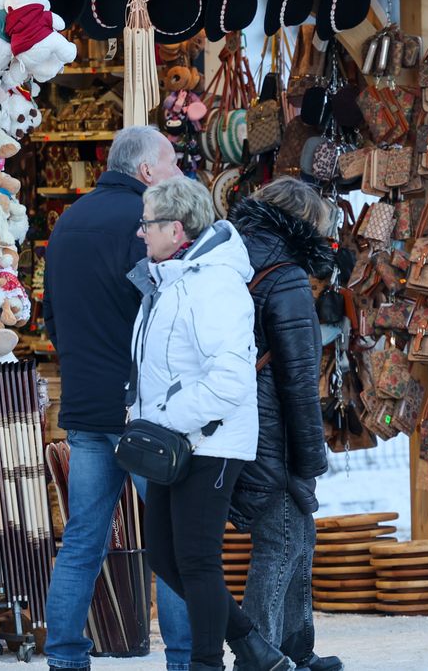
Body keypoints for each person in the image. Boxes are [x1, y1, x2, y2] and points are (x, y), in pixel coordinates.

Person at [129, 175, 298, 671]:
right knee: (164, 554)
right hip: (173, 439)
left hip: (209, 441)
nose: (141, 233)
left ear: (177, 230)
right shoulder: (172, 278)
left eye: (148, 224)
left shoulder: (215, 285)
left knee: (197, 560)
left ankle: (208, 663)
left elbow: (230, 381)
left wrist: (165, 417)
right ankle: (252, 647)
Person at [42, 125, 192, 671]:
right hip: (144, 410)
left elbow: (51, 319)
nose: (178, 172)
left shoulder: (68, 223)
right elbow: (171, 322)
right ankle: (184, 660)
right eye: (172, 162)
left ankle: (64, 657)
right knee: (172, 543)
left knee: (82, 538)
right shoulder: (147, 226)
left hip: (85, 406)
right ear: (147, 171)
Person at [228, 178, 342, 671]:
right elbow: (298, 380)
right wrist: (311, 457)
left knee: (298, 536)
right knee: (280, 542)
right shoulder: (287, 275)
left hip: (235, 418)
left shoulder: (230, 255)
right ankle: (262, 655)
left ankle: (296, 648)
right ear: (306, 226)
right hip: (272, 428)